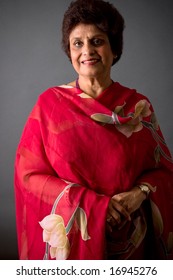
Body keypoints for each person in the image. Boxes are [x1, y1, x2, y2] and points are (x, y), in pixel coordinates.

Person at [14, 0, 173, 260]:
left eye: (97, 41)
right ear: (70, 50)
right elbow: (29, 177)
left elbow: (163, 172)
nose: (87, 50)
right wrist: (96, 205)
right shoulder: (50, 105)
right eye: (78, 43)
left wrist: (140, 193)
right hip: (75, 244)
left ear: (114, 48)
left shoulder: (138, 107)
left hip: (131, 241)